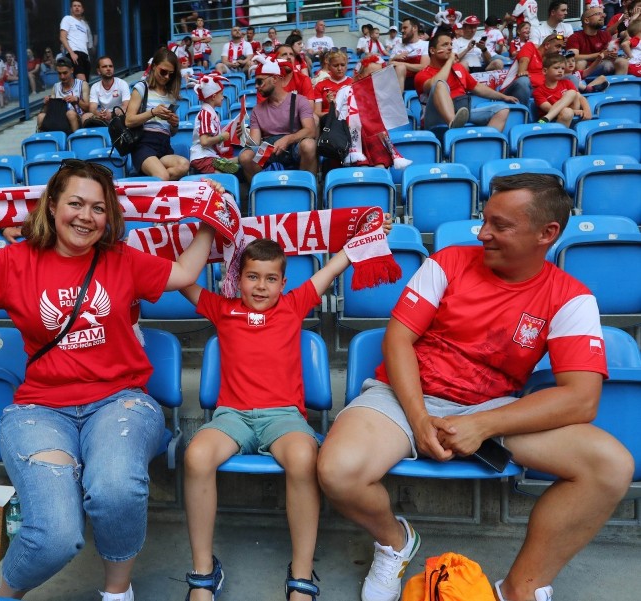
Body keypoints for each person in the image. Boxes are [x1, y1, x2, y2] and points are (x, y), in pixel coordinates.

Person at [0, 160, 218, 601]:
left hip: (121, 402)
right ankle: (4, 595)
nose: (86, 216)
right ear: (52, 205)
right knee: (55, 536)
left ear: (110, 217)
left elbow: (182, 275)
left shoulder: (121, 258)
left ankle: (117, 593)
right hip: (41, 410)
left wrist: (211, 222)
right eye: (76, 204)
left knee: (116, 489)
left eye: (98, 208)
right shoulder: (13, 261)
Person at [318, 172, 633, 601]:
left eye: (501, 226)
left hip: (493, 406)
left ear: (548, 233)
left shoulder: (572, 297)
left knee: (610, 466)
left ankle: (521, 588)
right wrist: (418, 418)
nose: (483, 233)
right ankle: (396, 542)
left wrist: (482, 424)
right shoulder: (447, 260)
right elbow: (398, 339)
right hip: (405, 395)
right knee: (337, 471)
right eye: (484, 220)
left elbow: (581, 398)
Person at [180, 230, 387, 601]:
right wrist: (205, 226)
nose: (261, 286)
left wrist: (369, 232)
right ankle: (203, 572)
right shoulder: (222, 309)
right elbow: (177, 276)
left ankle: (302, 575)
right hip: (233, 417)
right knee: (195, 454)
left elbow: (337, 264)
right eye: (252, 276)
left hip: (284, 418)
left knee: (304, 457)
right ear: (236, 278)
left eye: (271, 278)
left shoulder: (293, 305)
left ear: (283, 283)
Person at [415, 33, 519, 132]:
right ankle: (453, 123)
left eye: (451, 44)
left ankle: (485, 144)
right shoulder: (422, 74)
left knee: (502, 110)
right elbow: (436, 83)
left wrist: (503, 97)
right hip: (435, 117)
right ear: (433, 51)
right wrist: (450, 61)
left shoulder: (458, 68)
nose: (450, 48)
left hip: (460, 112)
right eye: (445, 45)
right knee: (440, 84)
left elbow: (477, 87)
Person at [239, 58, 318, 181]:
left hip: (293, 146)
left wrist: (287, 139)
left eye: (260, 82)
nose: (256, 86)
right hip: (269, 149)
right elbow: (255, 143)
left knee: (309, 145)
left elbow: (310, 130)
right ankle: (264, 192)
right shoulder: (257, 110)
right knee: (245, 157)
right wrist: (244, 137)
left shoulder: (299, 101)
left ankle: (306, 187)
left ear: (275, 79)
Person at [125, 48, 188, 181]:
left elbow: (172, 132)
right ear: (154, 67)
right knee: (162, 175)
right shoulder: (141, 88)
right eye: (163, 72)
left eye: (171, 74)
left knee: (184, 165)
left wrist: (174, 124)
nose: (167, 77)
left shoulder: (171, 96)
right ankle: (152, 179)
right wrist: (153, 112)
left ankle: (146, 180)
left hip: (164, 144)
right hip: (144, 143)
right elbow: (129, 121)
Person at [189, 75, 240, 175]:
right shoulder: (205, 114)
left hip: (209, 155)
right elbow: (204, 141)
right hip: (202, 157)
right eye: (221, 94)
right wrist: (222, 137)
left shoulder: (211, 113)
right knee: (224, 176)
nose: (223, 97)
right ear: (213, 96)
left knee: (237, 163)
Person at [534, 52, 593, 125]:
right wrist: (573, 111)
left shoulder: (567, 83)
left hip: (558, 115)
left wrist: (587, 111)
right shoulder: (538, 91)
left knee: (573, 93)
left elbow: (580, 98)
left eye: (562, 68)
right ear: (545, 71)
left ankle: (547, 118)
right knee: (567, 112)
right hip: (553, 120)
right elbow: (549, 108)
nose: (560, 71)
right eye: (556, 68)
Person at [567, 7, 629, 73]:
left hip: (603, 64)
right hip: (586, 69)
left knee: (623, 62)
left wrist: (612, 55)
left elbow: (609, 53)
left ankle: (617, 82)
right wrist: (600, 55)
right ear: (586, 20)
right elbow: (572, 57)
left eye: (603, 14)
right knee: (580, 63)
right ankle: (580, 83)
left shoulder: (605, 34)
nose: (602, 16)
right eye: (598, 14)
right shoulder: (574, 37)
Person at [37, 57, 89, 134]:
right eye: (59, 73)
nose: (62, 77)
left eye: (65, 73)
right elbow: (48, 111)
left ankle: (76, 139)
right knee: (41, 116)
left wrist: (76, 100)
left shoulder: (82, 84)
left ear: (72, 70)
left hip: (77, 118)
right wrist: (46, 104)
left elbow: (88, 108)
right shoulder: (56, 87)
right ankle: (43, 141)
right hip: (58, 119)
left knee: (70, 114)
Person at [87, 56, 131, 126]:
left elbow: (126, 106)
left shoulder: (122, 84)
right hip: (103, 118)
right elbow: (92, 108)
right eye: (105, 67)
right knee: (85, 117)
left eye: (110, 66)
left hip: (119, 116)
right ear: (98, 71)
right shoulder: (95, 87)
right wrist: (99, 114)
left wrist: (112, 114)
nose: (108, 69)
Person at [389, 18, 430, 92]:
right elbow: (389, 65)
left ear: (414, 28)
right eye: (402, 28)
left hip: (417, 80)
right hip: (396, 80)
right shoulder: (397, 46)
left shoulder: (425, 45)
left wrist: (401, 63)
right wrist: (396, 57)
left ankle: (397, 101)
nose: (402, 31)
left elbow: (424, 67)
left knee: (400, 67)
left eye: (405, 28)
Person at [59, 0, 95, 81]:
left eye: (79, 6)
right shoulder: (67, 19)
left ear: (82, 9)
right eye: (74, 6)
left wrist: (88, 58)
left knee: (84, 85)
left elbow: (85, 43)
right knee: (82, 82)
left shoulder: (84, 24)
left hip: (85, 56)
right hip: (74, 54)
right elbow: (62, 37)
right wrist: (71, 53)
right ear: (71, 9)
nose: (77, 7)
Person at [313, 48, 350, 118]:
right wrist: (332, 115)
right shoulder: (320, 85)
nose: (339, 68)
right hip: (327, 122)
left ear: (346, 65)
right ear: (329, 66)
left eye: (342, 65)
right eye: (335, 65)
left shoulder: (353, 83)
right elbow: (317, 112)